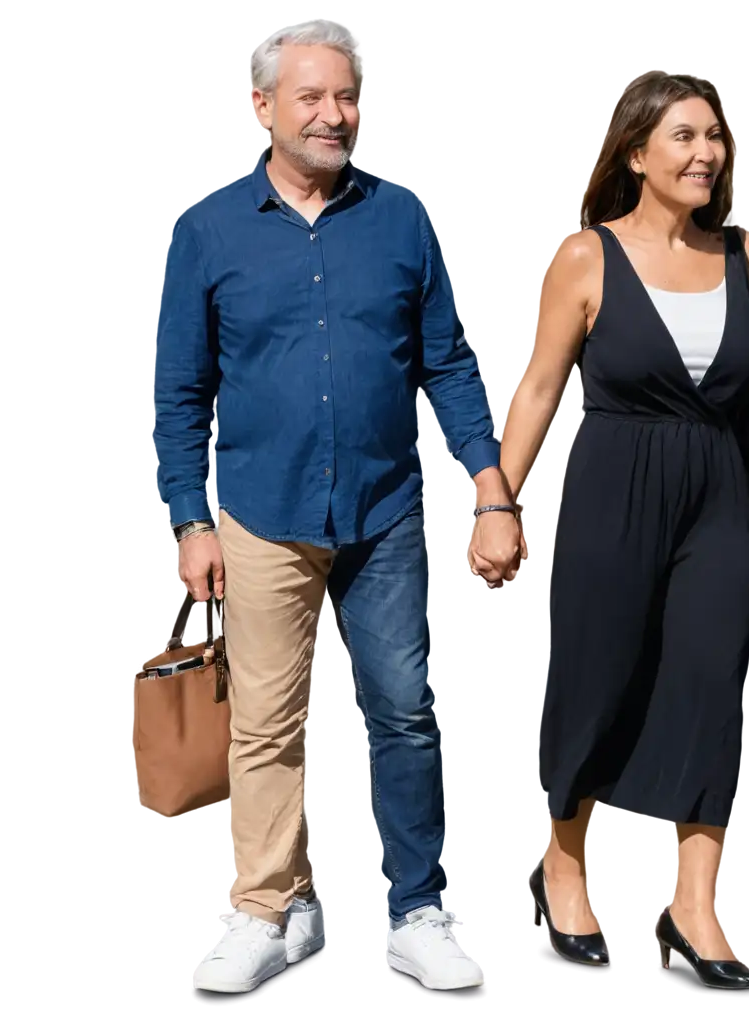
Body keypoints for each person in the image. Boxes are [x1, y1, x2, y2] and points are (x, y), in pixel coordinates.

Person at [152, 17, 522, 996]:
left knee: (404, 713)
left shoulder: (399, 216)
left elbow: (444, 361)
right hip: (259, 510)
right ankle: (269, 911)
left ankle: (418, 913)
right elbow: (179, 389)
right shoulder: (207, 227)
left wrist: (488, 489)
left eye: (345, 96)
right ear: (260, 106)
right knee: (265, 724)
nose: (333, 114)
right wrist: (190, 519)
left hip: (385, 508)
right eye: (310, 96)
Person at [490, 71, 749, 991]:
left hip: (717, 497)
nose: (706, 153)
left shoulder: (744, 254)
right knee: (596, 680)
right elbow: (540, 386)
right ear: (636, 154)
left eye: (714, 136)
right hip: (614, 487)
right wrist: (495, 501)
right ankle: (564, 877)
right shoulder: (586, 256)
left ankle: (695, 915)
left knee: (710, 691)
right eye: (684, 138)